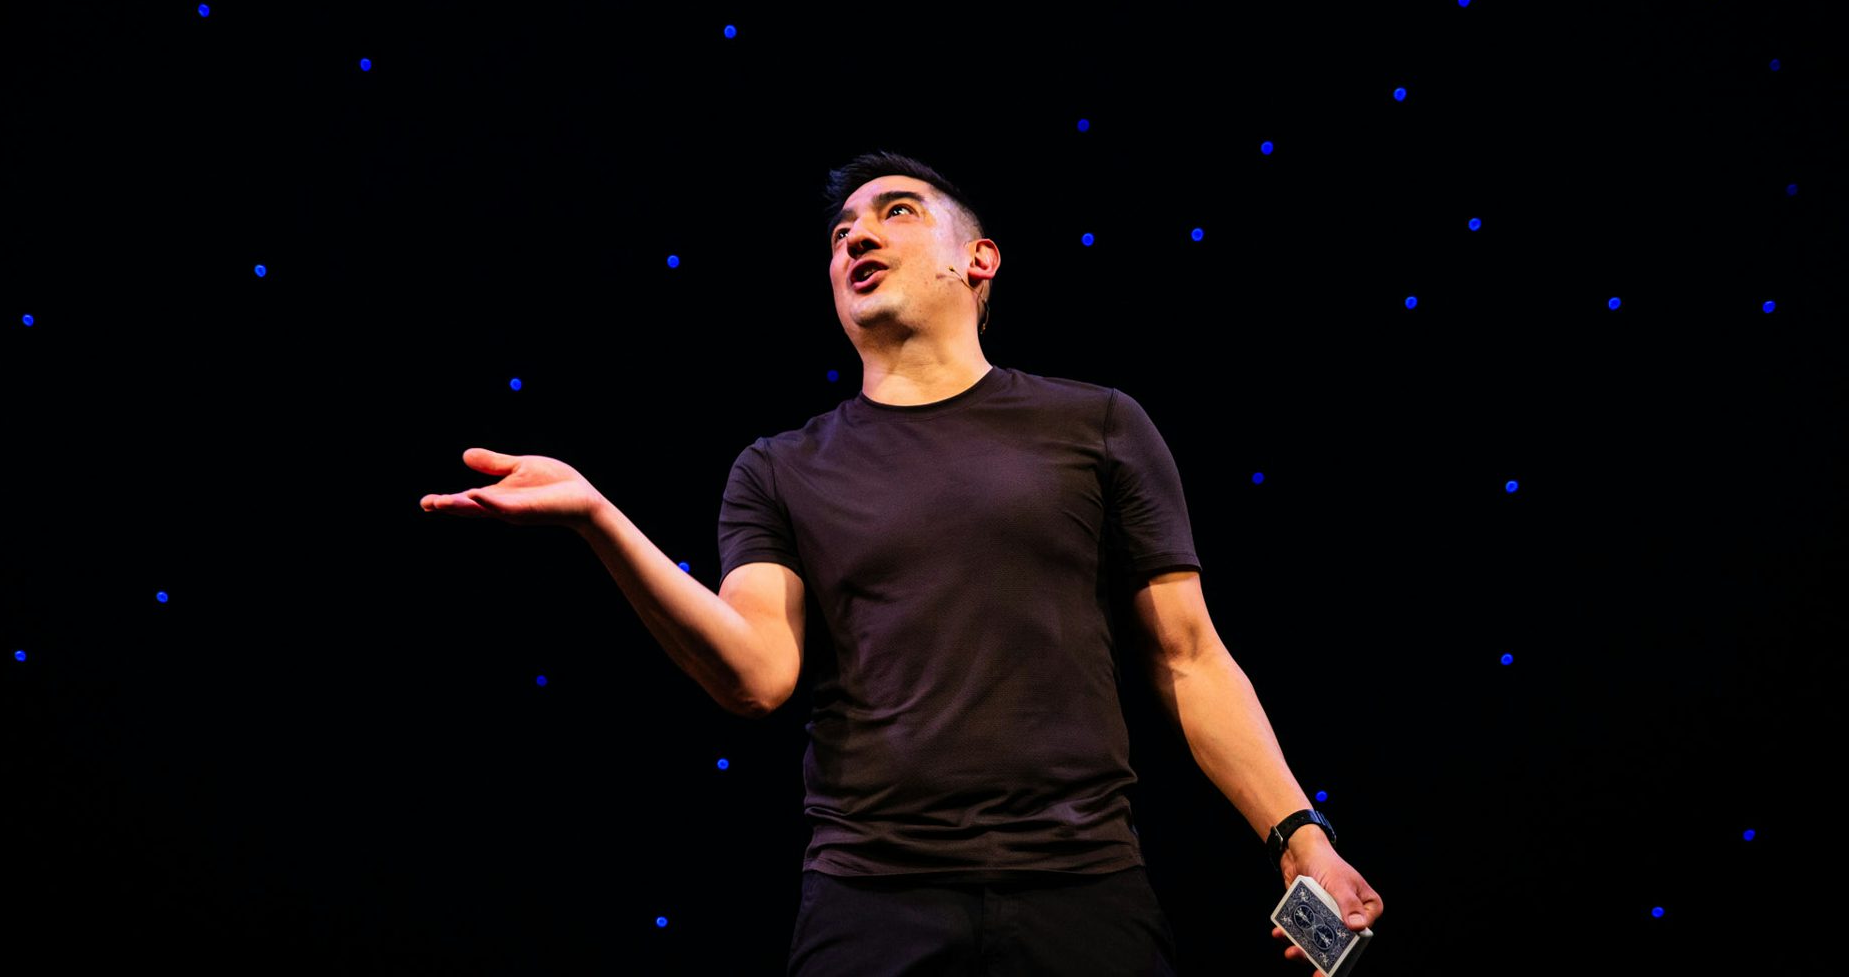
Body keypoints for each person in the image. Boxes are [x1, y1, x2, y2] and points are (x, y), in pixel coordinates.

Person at [421, 151, 1383, 974]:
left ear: (979, 260)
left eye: (895, 212)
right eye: (839, 232)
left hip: (1083, 890)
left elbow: (1190, 657)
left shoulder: (1095, 424)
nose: (855, 238)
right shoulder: (780, 468)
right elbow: (758, 676)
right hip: (870, 903)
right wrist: (599, 517)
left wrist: (1301, 835)